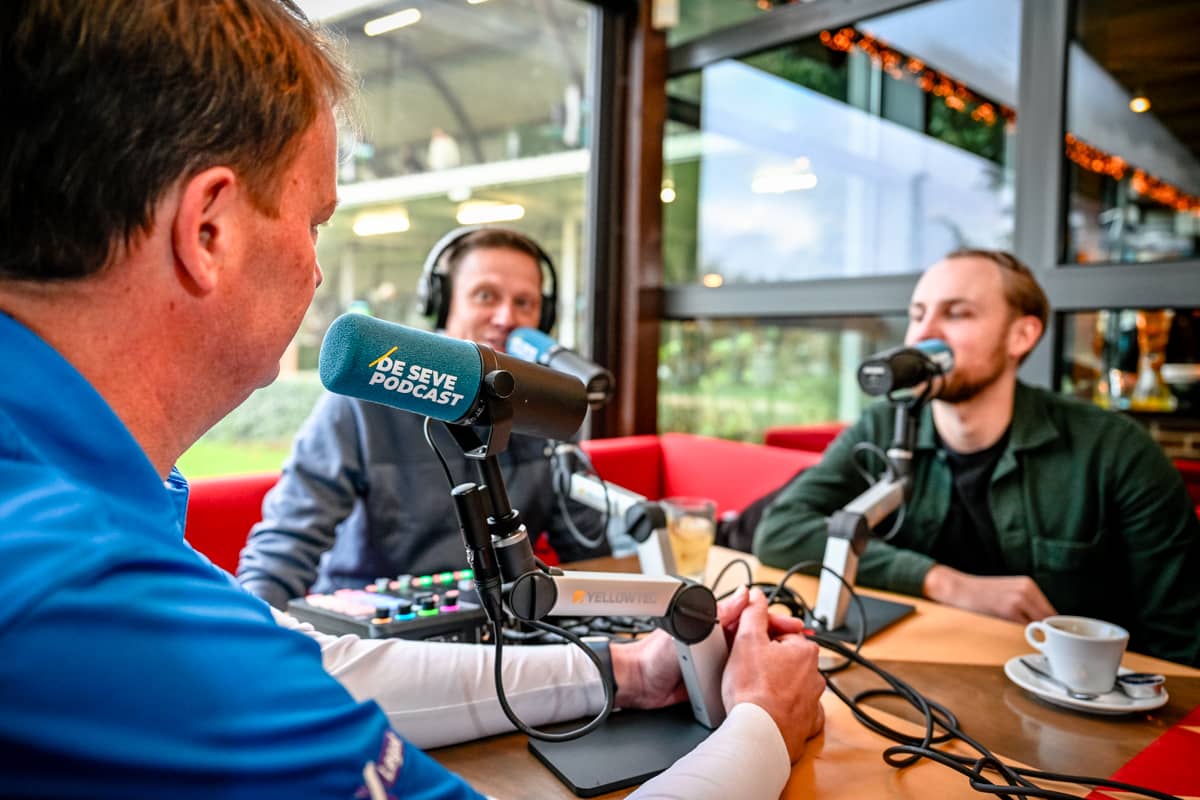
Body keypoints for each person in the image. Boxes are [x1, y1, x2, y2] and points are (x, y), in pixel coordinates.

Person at [0, 2, 826, 798]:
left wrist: (629, 671)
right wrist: (761, 725)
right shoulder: (91, 597)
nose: (315, 272)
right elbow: (242, 660)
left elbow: (306, 660)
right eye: (314, 223)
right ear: (208, 230)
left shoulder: (80, 514)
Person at [754, 249, 1200, 666]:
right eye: (918, 315)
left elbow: (1181, 643)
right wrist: (943, 582)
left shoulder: (1117, 451)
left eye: (956, 313)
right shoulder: (883, 425)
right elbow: (780, 530)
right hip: (918, 671)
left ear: (1022, 335)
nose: (923, 335)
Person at [236, 227, 608, 611]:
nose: (506, 317)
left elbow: (589, 549)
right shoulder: (365, 400)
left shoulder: (545, 414)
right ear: (442, 304)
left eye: (524, 303)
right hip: (375, 629)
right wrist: (250, 629)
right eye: (486, 296)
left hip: (501, 626)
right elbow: (285, 547)